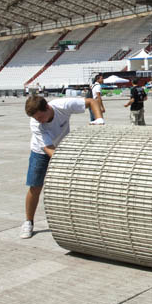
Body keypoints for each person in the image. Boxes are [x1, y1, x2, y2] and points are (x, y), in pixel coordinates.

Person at [21, 94, 104, 239]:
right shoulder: (35, 124)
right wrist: (68, 164)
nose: (38, 121)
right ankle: (28, 222)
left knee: (69, 187)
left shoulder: (62, 105)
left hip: (62, 147)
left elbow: (92, 102)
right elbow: (48, 149)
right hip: (40, 152)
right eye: (36, 118)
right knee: (35, 186)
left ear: (47, 107)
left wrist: (99, 120)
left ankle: (74, 220)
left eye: (40, 117)